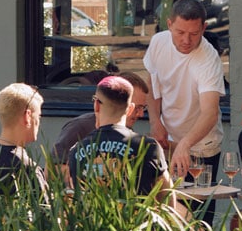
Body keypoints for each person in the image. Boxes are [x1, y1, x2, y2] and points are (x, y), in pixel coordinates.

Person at [144, 0, 225, 181]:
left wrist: (185, 144)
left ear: (204, 28)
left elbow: (209, 113)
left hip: (202, 143)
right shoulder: (158, 42)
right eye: (180, 32)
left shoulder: (209, 59)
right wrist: (155, 121)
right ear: (169, 24)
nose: (186, 40)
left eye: (194, 34)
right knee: (167, 202)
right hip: (168, 138)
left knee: (199, 206)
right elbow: (153, 84)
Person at [68, 76, 174, 204]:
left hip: (93, 224)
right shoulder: (148, 147)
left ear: (96, 105)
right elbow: (168, 201)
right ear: (130, 109)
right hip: (137, 223)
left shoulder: (76, 151)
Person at [48, 70, 148, 176]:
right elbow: (52, 169)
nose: (141, 114)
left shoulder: (130, 134)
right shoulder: (81, 127)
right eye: (138, 108)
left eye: (143, 107)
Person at [0, 83, 46, 193]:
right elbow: (44, 209)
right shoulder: (26, 167)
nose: (39, 122)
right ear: (27, 116)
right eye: (38, 116)